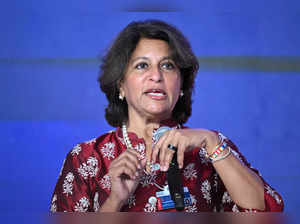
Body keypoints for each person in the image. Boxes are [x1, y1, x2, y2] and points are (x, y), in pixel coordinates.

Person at [50, 19, 284, 212]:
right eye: (142, 65)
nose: (156, 76)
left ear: (181, 84)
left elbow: (268, 210)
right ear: (120, 84)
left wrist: (212, 142)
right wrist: (115, 201)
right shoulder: (87, 158)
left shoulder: (210, 149)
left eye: (168, 65)